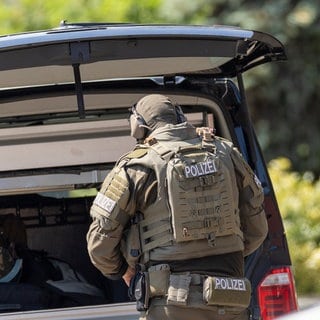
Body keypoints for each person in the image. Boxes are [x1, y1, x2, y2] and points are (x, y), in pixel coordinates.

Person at [86, 94, 268, 320]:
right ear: (180, 117)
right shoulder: (227, 153)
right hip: (231, 298)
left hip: (171, 305)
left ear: (138, 127)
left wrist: (124, 271)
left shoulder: (136, 168)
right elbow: (257, 230)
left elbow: (100, 247)